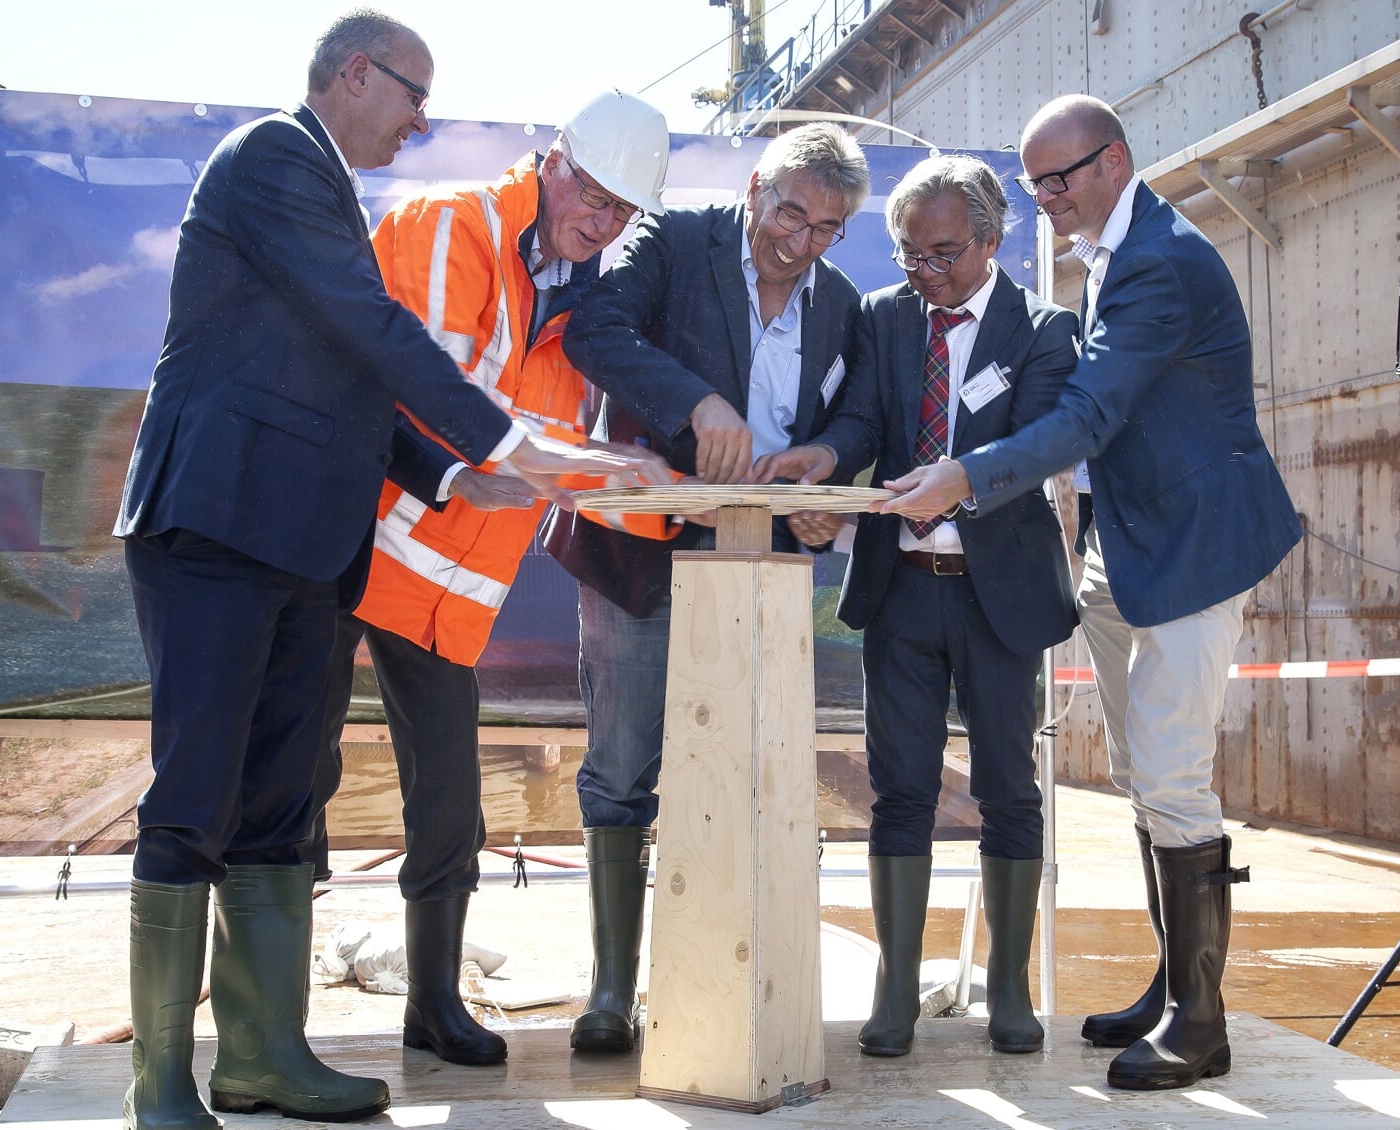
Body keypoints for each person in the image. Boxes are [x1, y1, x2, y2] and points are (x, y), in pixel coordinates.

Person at [110, 12, 635, 1126]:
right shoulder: (272, 159)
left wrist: (451, 480)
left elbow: (352, 375)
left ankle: (262, 1056)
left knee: (276, 803)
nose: (421, 121)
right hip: (216, 526)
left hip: (308, 546)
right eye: (413, 96)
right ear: (356, 73)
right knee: (192, 799)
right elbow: (375, 328)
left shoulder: (335, 197)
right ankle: (156, 1080)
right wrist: (504, 442)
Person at [879, 95, 1302, 1090]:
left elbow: (1092, 412)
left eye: (1061, 178)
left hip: (1193, 545)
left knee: (1173, 774)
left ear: (1114, 160)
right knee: (1138, 770)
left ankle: (1204, 1022)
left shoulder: (1158, 258)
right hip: (1129, 544)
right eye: (1038, 187)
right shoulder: (1116, 247)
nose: (1049, 200)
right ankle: (1171, 986)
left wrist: (965, 475)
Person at [302, 89, 676, 1070]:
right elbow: (446, 398)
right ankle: (266, 1023)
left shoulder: (575, 303)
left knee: (448, 805)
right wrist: (599, 463)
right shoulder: (451, 223)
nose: (599, 218)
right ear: (553, 158)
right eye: (590, 189)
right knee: (290, 780)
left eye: (620, 209)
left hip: (441, 594)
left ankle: (431, 1006)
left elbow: (543, 450)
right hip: (340, 551)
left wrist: (669, 493)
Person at [545, 122, 870, 1054]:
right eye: (789, 212)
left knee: (748, 776)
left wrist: (828, 462)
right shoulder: (673, 241)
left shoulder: (841, 301)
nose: (799, 241)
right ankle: (612, 992)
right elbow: (593, 332)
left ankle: (725, 984)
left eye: (825, 228)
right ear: (756, 185)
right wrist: (697, 400)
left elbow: (856, 414)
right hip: (638, 553)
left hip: (760, 570)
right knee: (622, 768)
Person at [755, 155, 1079, 1057]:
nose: (924, 274)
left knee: (1010, 791)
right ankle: (896, 993)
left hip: (1000, 598)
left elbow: (1039, 444)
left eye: (942, 256)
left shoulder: (1045, 330)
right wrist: (827, 465)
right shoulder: (883, 318)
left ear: (989, 240)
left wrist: (959, 488)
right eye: (908, 257)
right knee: (899, 792)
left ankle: (1008, 993)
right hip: (901, 595)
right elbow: (861, 420)